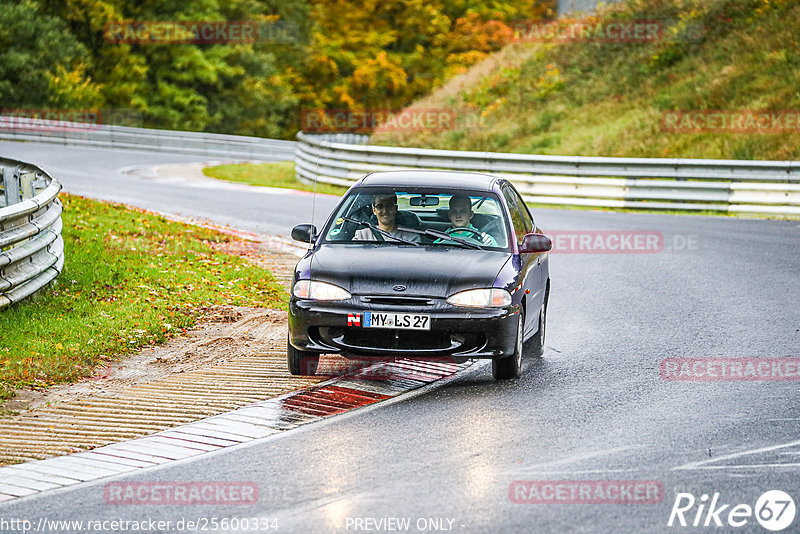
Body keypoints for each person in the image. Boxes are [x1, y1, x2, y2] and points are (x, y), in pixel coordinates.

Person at [353, 193, 421, 243]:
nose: (385, 211)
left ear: (396, 208)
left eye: (389, 206)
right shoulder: (361, 236)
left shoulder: (411, 237)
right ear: (374, 211)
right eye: (380, 207)